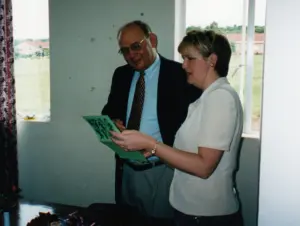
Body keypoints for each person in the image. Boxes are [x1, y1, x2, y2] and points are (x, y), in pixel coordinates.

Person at [111, 30, 244, 226]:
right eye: (183, 58)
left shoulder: (220, 98)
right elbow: (186, 155)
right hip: (192, 209)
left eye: (189, 58)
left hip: (206, 214)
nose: (184, 65)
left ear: (212, 60)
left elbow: (203, 167)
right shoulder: (205, 99)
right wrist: (154, 150)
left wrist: (152, 144)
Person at [101, 20, 201, 225]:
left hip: (163, 170)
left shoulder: (180, 74)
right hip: (126, 169)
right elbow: (110, 110)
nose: (131, 54)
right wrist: (113, 121)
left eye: (136, 46)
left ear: (152, 40)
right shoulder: (121, 75)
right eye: (125, 50)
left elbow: (198, 121)